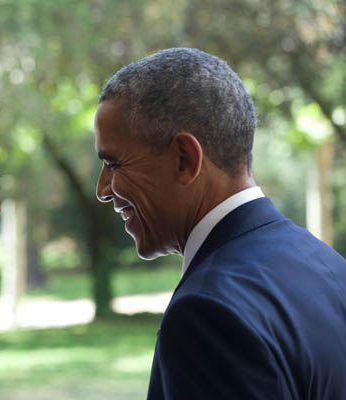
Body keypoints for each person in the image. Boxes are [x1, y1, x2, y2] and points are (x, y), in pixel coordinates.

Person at [94, 48, 346, 399]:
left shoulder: (208, 313)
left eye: (114, 164)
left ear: (185, 159)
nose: (103, 190)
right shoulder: (328, 266)